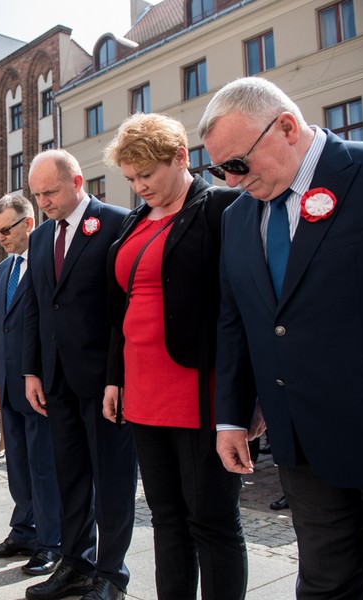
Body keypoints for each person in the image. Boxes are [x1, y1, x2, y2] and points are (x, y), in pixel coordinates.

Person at [199, 76, 363, 600]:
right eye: (218, 169)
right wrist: (231, 416)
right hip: (302, 442)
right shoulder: (237, 216)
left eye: (237, 164)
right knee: (323, 582)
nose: (230, 180)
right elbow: (236, 322)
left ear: (287, 128)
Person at [101, 113, 247, 599]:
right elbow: (125, 305)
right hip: (142, 391)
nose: (138, 186)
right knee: (165, 520)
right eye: (130, 178)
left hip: (197, 388)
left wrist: (246, 400)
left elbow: (241, 304)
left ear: (181, 157)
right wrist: (114, 377)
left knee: (211, 521)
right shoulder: (137, 219)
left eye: (146, 175)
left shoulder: (221, 206)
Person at [22, 149, 137, 600]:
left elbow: (122, 311)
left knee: (112, 479)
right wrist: (32, 370)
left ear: (76, 182)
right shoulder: (40, 237)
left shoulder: (116, 222)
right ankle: (75, 562)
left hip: (103, 379)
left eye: (49, 192)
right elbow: (35, 306)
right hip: (56, 379)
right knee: (69, 476)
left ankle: (111, 574)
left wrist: (118, 375)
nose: (43, 202)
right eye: (36, 195)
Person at [0, 194, 63, 577]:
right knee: (17, 463)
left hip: (41, 386)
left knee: (44, 466)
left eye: (6, 230)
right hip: (8, 386)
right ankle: (23, 531)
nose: (0, 237)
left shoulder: (48, 263)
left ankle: (52, 542)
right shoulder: (2, 271)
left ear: (28, 223)